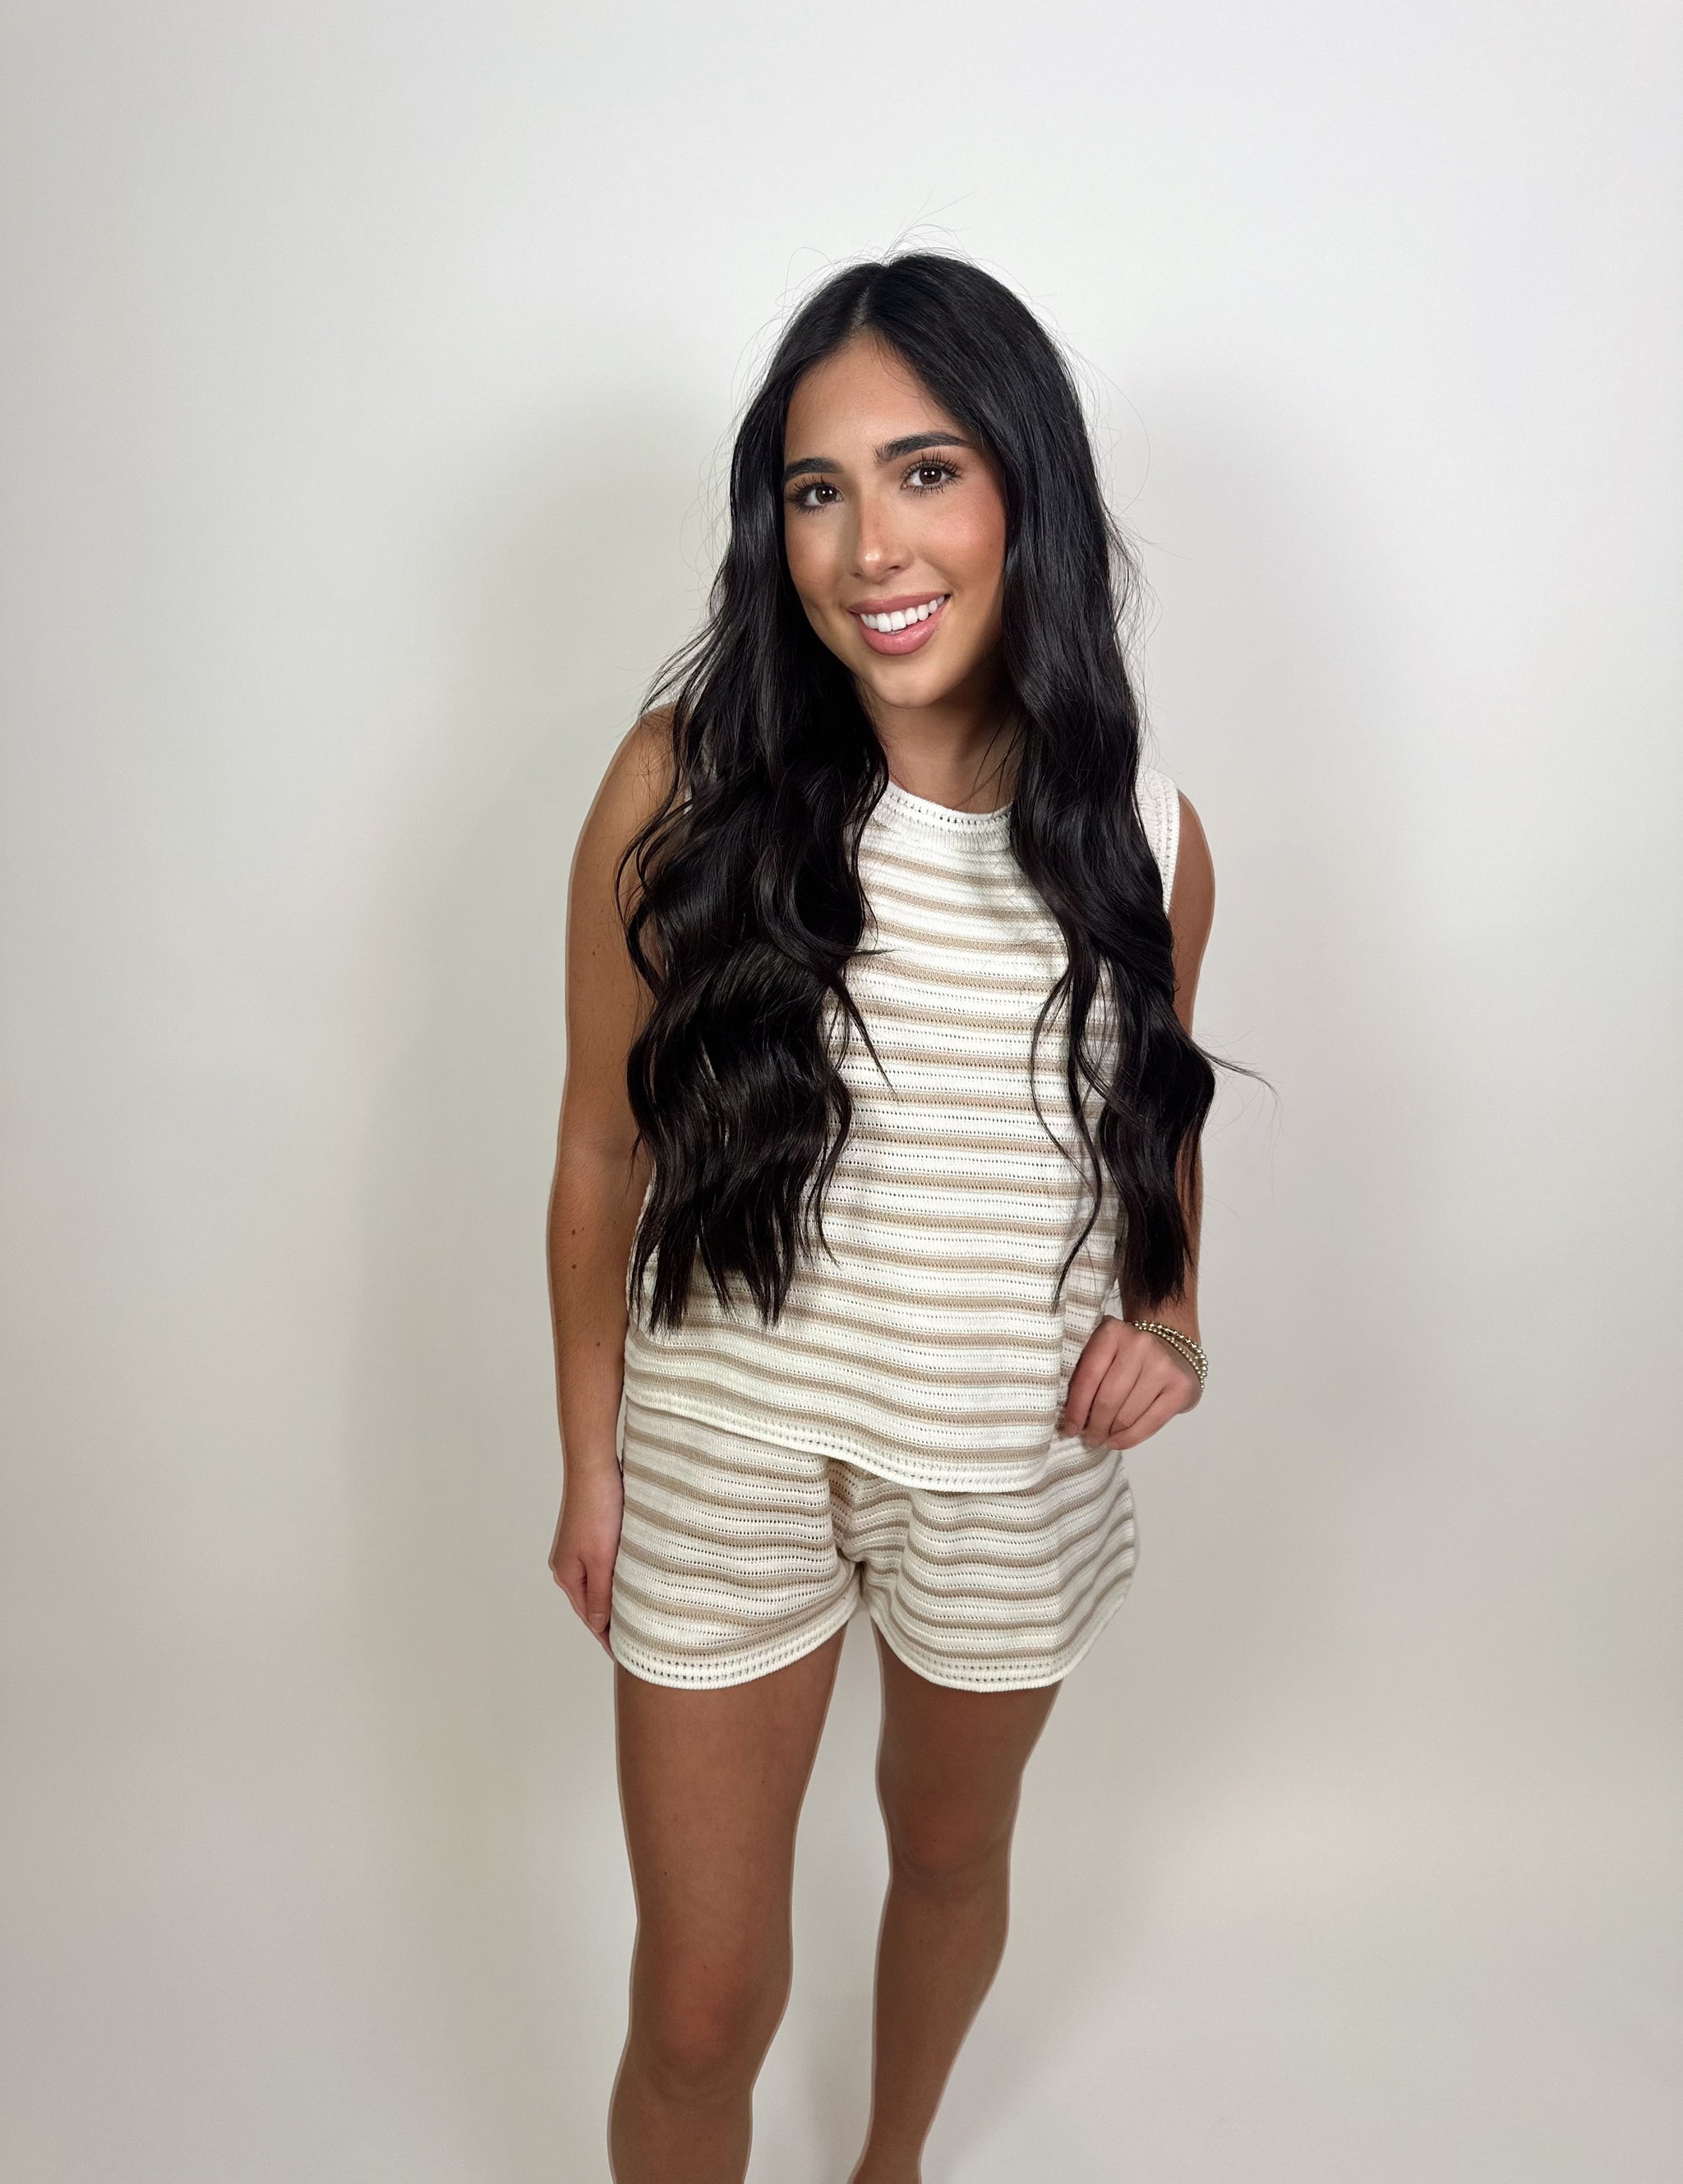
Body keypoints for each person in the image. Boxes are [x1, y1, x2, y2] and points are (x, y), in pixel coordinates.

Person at [546, 251, 1220, 2184]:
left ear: (1023, 490)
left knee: (944, 1855)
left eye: (924, 473)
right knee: (696, 2009)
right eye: (816, 490)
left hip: (1006, 1461)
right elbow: (596, 1155)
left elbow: (1150, 1128)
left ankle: (890, 2165)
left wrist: (1170, 1317)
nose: (869, 548)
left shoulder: (1143, 833)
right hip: (724, 1453)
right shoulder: (681, 786)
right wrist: (589, 1460)